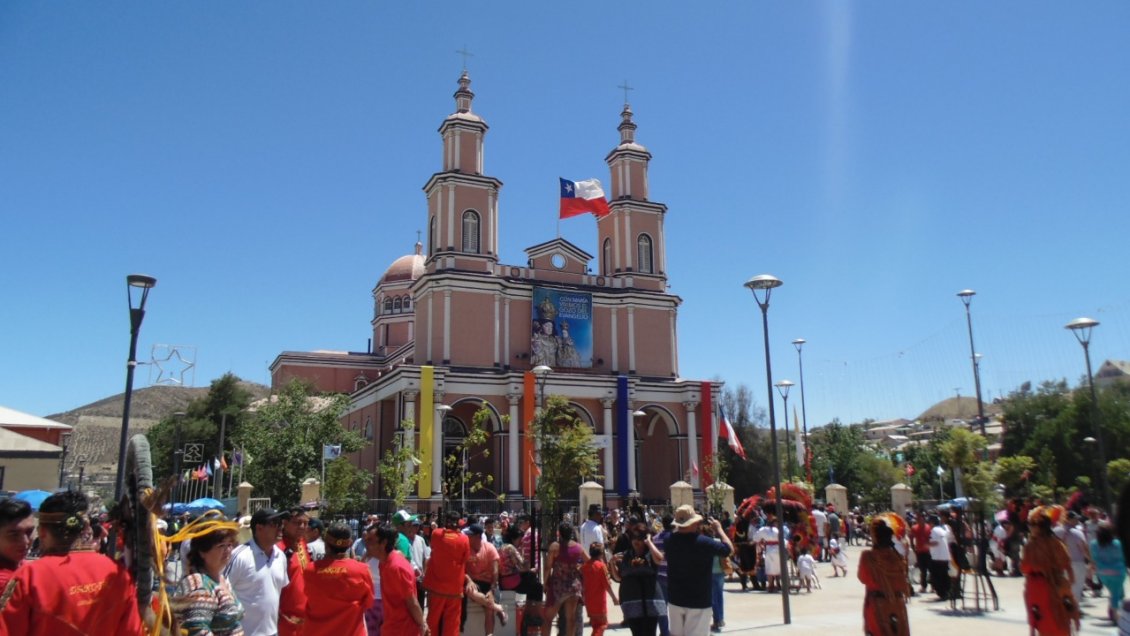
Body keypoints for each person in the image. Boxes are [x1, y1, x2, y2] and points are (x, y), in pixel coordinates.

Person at [0, 490, 144, 635]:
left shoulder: (30, 576)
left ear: (42, 532)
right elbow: (132, 631)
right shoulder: (118, 573)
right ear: (86, 529)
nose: (25, 541)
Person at [664, 506, 733, 636]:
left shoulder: (668, 540)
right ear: (694, 522)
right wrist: (719, 529)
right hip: (699, 599)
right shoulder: (704, 542)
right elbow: (728, 549)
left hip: (675, 598)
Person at [226, 508, 290, 636]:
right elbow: (222, 591)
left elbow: (277, 592)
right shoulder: (240, 556)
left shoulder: (280, 556)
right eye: (274, 523)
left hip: (272, 632)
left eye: (281, 523)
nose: (280, 528)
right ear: (259, 528)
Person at [172, 523, 244, 636]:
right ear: (202, 552)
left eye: (229, 544)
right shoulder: (198, 586)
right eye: (221, 545)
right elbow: (197, 631)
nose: (228, 550)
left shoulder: (221, 579)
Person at [305, 523, 374, 636]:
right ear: (350, 544)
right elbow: (368, 603)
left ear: (326, 544)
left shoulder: (309, 570)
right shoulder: (362, 570)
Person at [1022, 505, 1080, 636]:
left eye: (1032, 524)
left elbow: (1025, 567)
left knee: (1050, 619)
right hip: (1045, 585)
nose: (1030, 528)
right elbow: (1067, 565)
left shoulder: (1034, 545)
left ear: (1040, 526)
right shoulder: (1053, 543)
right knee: (1050, 618)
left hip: (1044, 585)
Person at [366, 523, 429, 636]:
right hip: (391, 627)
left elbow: (412, 602)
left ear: (384, 543)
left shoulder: (396, 567)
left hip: (403, 630)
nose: (366, 543)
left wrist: (422, 624)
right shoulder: (383, 562)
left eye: (371, 540)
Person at [857, 513, 910, 636]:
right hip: (898, 603)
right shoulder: (898, 557)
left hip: (877, 604)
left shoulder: (868, 556)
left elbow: (863, 577)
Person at [611, 519, 665, 636]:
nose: (637, 541)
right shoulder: (627, 555)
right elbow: (619, 578)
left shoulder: (650, 553)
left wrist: (649, 542)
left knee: (650, 633)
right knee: (636, 633)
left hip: (651, 601)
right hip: (632, 601)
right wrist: (611, 563)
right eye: (634, 538)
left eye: (640, 538)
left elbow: (660, 559)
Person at [424, 510, 470, 636]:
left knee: (432, 620)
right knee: (453, 622)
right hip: (455, 588)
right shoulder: (464, 539)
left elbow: (433, 547)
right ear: (459, 523)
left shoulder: (436, 534)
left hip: (436, 587)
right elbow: (465, 559)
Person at [463, 523, 507, 636]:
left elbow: (495, 571)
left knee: (489, 609)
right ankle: (498, 608)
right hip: (474, 582)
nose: (467, 536)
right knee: (470, 590)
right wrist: (469, 580)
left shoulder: (489, 548)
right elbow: (461, 570)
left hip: (490, 583)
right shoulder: (465, 549)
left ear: (477, 536)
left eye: (470, 535)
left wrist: (492, 590)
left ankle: (489, 634)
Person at [543, 522, 586, 636]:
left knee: (547, 619)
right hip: (573, 586)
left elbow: (547, 567)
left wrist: (544, 582)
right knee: (571, 619)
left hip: (558, 587)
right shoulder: (578, 547)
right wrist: (580, 567)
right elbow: (589, 561)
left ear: (559, 534)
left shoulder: (555, 547)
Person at [277, 508, 313, 636]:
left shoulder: (302, 543)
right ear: (285, 523)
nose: (302, 526)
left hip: (306, 621)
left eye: (306, 523)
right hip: (286, 622)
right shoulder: (277, 549)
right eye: (297, 523)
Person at [1053, 511, 1091, 609]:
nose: (1077, 521)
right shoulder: (1077, 533)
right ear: (1068, 519)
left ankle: (1064, 606)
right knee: (1077, 587)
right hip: (1077, 563)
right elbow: (1084, 548)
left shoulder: (1056, 531)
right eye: (1074, 519)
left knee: (1063, 586)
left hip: (1060, 563)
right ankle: (1074, 608)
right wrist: (1091, 561)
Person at [1089, 521, 1125, 623]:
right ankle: (1116, 616)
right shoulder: (1117, 543)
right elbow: (1120, 557)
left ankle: (1112, 610)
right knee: (1116, 593)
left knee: (1116, 592)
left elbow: (1094, 559)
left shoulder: (1094, 544)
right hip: (1117, 571)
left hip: (1102, 572)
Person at [581, 543, 617, 636]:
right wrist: (614, 598)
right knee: (602, 624)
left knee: (595, 625)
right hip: (599, 602)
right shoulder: (601, 566)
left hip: (589, 601)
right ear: (601, 554)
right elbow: (607, 584)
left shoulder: (584, 567)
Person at [0, 498, 34, 590]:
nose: (25, 541)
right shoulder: (6, 582)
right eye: (14, 535)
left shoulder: (25, 566)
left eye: (29, 532)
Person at [926, 514, 952, 600]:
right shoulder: (942, 530)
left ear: (932, 523)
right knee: (944, 576)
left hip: (937, 557)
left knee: (937, 577)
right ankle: (946, 593)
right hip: (945, 556)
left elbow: (935, 543)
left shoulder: (934, 530)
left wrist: (926, 545)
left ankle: (942, 593)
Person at [907, 512, 932, 593]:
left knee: (931, 569)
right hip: (920, 552)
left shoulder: (929, 527)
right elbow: (911, 538)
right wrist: (914, 548)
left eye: (921, 518)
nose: (919, 520)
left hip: (929, 552)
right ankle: (923, 586)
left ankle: (933, 586)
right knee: (923, 570)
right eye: (918, 519)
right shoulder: (914, 528)